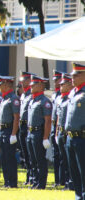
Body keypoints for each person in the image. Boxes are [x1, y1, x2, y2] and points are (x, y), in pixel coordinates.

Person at [27, 75, 52, 189]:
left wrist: (45, 137)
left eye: (34, 85)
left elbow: (47, 121)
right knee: (33, 160)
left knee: (40, 159)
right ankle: (35, 181)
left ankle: (41, 183)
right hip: (30, 132)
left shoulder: (44, 101)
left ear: (41, 86)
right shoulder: (32, 100)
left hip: (38, 132)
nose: (31, 87)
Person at [65, 63, 85, 200]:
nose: (73, 78)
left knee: (83, 170)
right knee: (74, 171)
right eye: (72, 75)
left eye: (77, 75)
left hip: (82, 137)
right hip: (70, 137)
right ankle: (78, 196)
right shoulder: (73, 92)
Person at [0, 75, 20, 188]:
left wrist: (13, 134)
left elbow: (16, 117)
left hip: (9, 130)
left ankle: (12, 182)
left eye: (1, 85)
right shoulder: (4, 98)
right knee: (4, 157)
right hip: (3, 130)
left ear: (7, 85)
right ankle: (7, 181)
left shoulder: (13, 99)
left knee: (10, 157)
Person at [55, 73, 74, 191]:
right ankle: (66, 181)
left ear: (69, 84)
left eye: (63, 84)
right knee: (63, 158)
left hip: (68, 133)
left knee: (69, 159)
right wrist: (57, 132)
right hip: (61, 132)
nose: (60, 86)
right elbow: (58, 118)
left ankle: (71, 182)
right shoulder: (61, 99)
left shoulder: (71, 99)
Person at [18, 71, 35, 185]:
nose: (21, 82)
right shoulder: (23, 95)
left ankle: (33, 176)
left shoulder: (32, 94)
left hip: (28, 126)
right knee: (24, 153)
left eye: (24, 80)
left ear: (29, 81)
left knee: (30, 154)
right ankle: (28, 176)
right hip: (21, 125)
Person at [51, 70, 64, 187]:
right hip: (53, 126)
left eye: (57, 80)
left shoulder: (63, 95)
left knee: (61, 155)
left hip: (60, 127)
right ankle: (57, 180)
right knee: (56, 155)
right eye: (55, 81)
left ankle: (62, 179)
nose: (55, 83)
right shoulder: (55, 95)